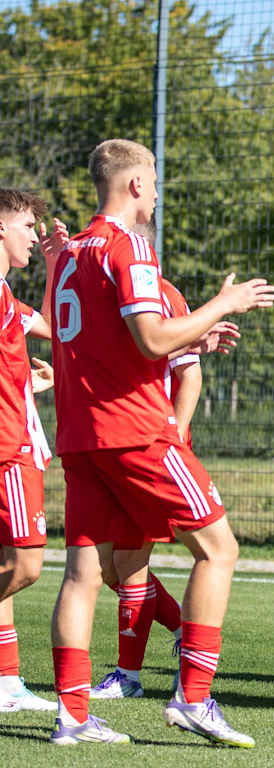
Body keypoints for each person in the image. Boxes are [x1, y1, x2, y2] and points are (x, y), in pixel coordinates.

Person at [47, 139, 274, 747]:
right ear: (137, 185)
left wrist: (191, 343)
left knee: (82, 575)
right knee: (219, 550)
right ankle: (194, 698)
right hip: (136, 431)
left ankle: (71, 719)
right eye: (154, 181)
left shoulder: (69, 256)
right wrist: (224, 302)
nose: (157, 192)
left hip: (81, 435)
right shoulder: (130, 248)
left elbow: (113, 346)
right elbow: (149, 340)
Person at [91, 276, 238, 700]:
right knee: (109, 568)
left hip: (153, 444)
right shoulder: (107, 287)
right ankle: (179, 629)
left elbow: (188, 374)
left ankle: (130, 676)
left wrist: (172, 436)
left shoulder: (160, 290)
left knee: (132, 559)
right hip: (120, 443)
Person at [0, 189, 65, 714]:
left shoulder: (5, 297)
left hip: (19, 439)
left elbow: (54, 327)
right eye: (27, 226)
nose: (33, 234)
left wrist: (51, 266)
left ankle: (5, 683)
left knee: (6, 563)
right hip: (8, 449)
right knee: (25, 567)